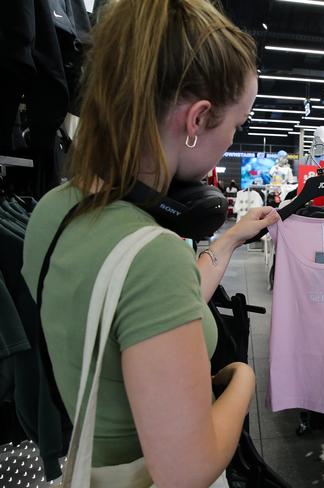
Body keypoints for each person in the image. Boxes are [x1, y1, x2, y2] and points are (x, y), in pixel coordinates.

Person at [21, 0, 279, 486]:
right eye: (235, 125)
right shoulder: (152, 253)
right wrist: (243, 378)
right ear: (198, 119)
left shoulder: (54, 211)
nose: (231, 140)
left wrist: (230, 239)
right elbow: (188, 469)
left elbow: (146, 310)